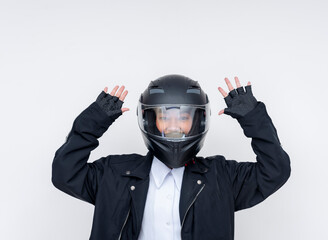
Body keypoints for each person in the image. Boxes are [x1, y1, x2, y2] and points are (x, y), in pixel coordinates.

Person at [52, 74, 291, 240]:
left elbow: (275, 170)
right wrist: (94, 120)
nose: (174, 125)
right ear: (150, 120)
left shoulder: (222, 177)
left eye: (184, 118)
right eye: (165, 117)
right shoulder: (114, 174)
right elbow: (65, 173)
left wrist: (253, 118)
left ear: (197, 121)